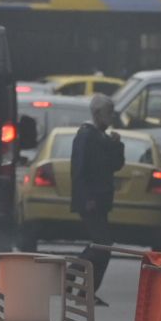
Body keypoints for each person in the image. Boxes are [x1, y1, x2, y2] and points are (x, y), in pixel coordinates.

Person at [70, 93, 125, 305]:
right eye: (109, 113)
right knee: (102, 244)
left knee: (103, 246)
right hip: (90, 200)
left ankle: (85, 292)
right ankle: (71, 274)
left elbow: (115, 165)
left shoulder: (103, 138)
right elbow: (79, 170)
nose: (111, 117)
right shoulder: (86, 136)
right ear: (97, 113)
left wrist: (117, 145)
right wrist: (87, 197)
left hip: (102, 200)